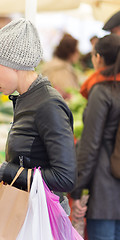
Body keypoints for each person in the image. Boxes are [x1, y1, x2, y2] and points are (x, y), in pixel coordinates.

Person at [0, 18, 77, 214]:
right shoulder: (27, 98)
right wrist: (0, 170)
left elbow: (65, 178)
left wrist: (5, 171)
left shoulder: (48, 105)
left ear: (13, 63)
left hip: (42, 217)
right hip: (28, 210)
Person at [71, 34, 120, 240]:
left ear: (98, 58)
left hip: (104, 189)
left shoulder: (101, 91)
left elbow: (90, 145)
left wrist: (76, 189)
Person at [41, 33, 80, 98]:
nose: (78, 53)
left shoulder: (53, 65)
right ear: (70, 52)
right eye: (76, 50)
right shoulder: (61, 70)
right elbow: (68, 94)